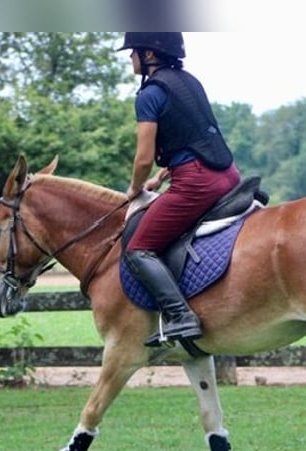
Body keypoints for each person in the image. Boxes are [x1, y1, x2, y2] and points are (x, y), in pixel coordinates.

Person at [118, 32, 241, 347]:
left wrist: (134, 188)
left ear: (149, 56)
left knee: (138, 249)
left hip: (196, 183)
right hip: (227, 174)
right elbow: (194, 137)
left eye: (133, 52)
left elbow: (142, 157)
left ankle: (181, 316)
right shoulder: (189, 82)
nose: (130, 57)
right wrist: (162, 176)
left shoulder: (150, 94)